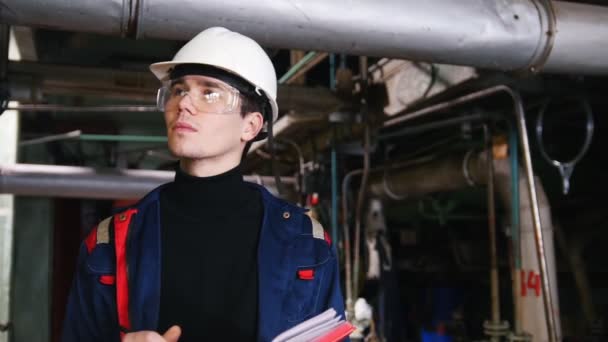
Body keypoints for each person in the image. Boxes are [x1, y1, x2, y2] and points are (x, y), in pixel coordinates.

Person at [62, 27, 346, 341]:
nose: (184, 104)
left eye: (209, 92)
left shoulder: (307, 244)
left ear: (251, 125)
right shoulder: (109, 244)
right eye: (179, 90)